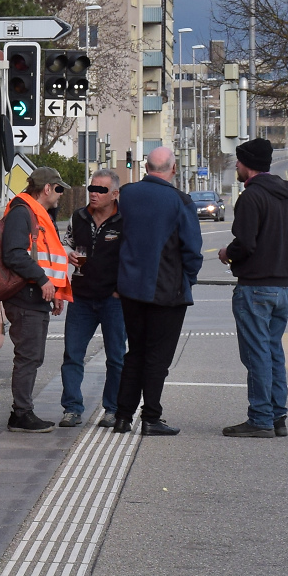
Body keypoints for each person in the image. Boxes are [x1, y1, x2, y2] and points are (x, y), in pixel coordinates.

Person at [112, 147, 203, 434]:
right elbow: (193, 250)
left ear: (146, 166)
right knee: (158, 357)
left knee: (135, 352)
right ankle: (151, 417)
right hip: (167, 290)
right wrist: (187, 279)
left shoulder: (126, 194)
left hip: (130, 289)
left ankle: (122, 416)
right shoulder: (180, 201)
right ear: (173, 169)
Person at [218, 138, 288, 438]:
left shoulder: (251, 198)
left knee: (257, 355)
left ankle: (261, 418)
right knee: (273, 352)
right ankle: (278, 416)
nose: (236, 166)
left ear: (248, 164)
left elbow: (246, 243)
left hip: (255, 288)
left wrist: (228, 253)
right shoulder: (287, 196)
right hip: (281, 287)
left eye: (238, 161)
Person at [0, 166, 73, 432]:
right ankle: (21, 414)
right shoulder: (23, 213)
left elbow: (43, 256)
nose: (60, 195)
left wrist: (53, 291)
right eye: (59, 189)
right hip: (25, 296)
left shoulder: (35, 212)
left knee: (32, 356)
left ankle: (22, 411)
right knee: (28, 357)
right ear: (47, 189)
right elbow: (14, 254)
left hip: (35, 296)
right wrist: (43, 281)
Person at [59, 170, 126, 428]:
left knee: (116, 357)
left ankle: (112, 409)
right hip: (82, 298)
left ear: (115, 194)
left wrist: (121, 289)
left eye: (101, 190)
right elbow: (65, 242)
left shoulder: (124, 219)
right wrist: (68, 253)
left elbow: (133, 257)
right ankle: (72, 409)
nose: (94, 194)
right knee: (73, 355)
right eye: (91, 188)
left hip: (113, 300)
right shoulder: (79, 216)